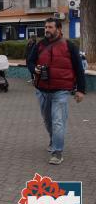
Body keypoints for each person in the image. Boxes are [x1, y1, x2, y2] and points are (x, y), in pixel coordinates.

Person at [28, 18, 86, 165]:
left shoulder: (69, 46)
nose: (47, 29)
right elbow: (30, 61)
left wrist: (81, 90)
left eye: (50, 27)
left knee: (58, 121)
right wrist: (34, 68)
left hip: (61, 91)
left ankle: (57, 152)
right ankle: (54, 140)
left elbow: (79, 69)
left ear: (59, 29)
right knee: (48, 121)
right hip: (42, 90)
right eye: (46, 27)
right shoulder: (40, 45)